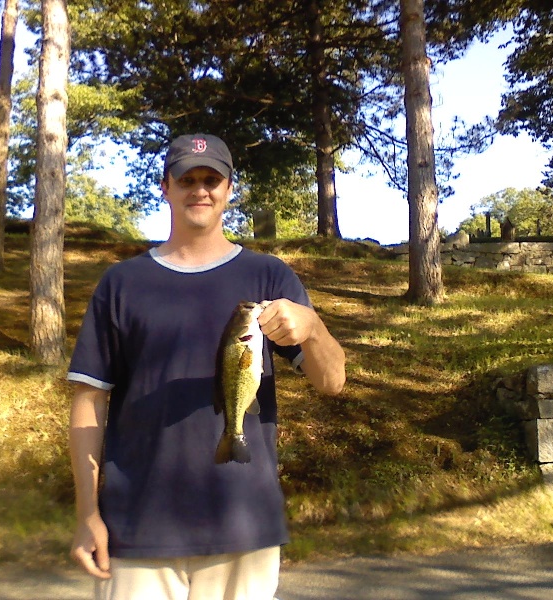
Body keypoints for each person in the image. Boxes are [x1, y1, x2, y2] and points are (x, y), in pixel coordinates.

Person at [67, 133, 346, 600]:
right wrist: (86, 514)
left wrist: (313, 328)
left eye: (212, 179)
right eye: (187, 178)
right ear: (166, 188)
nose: (200, 189)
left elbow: (333, 382)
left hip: (243, 521)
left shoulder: (269, 276)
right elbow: (88, 401)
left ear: (229, 188)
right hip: (138, 523)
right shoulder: (122, 283)